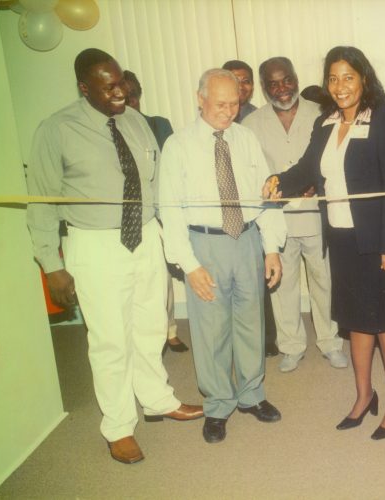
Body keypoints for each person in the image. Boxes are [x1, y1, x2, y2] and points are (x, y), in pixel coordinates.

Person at [26, 48, 203, 465]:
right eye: (109, 86)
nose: (120, 91)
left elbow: (156, 183)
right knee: (110, 341)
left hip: (144, 237)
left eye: (121, 81)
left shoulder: (136, 122)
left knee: (150, 326)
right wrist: (51, 264)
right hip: (95, 244)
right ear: (84, 88)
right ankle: (118, 426)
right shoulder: (56, 129)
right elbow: (40, 203)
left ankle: (157, 399)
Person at [264, 46, 385, 440]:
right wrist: (279, 181)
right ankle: (364, 395)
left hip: (379, 238)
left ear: (364, 78)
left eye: (348, 76)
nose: (340, 86)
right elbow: (306, 169)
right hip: (342, 238)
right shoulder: (325, 124)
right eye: (333, 78)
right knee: (355, 322)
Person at [159, 68, 287, 444]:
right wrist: (189, 264)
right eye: (220, 104)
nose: (228, 111)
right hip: (205, 244)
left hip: (246, 239)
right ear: (200, 99)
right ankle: (217, 404)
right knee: (211, 329)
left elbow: (267, 196)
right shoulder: (178, 146)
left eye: (235, 103)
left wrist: (271, 248)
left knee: (251, 322)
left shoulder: (246, 138)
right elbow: (170, 210)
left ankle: (251, 395)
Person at [244, 57, 347, 373]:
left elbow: (333, 162)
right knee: (283, 285)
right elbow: (251, 174)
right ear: (264, 87)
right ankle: (291, 346)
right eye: (273, 83)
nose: (281, 88)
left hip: (316, 216)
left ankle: (331, 343)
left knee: (324, 281)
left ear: (296, 78)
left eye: (286, 80)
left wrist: (314, 183)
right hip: (277, 220)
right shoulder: (250, 125)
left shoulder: (322, 114)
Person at [123, 69, 189, 353]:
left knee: (162, 277)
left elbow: (174, 166)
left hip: (161, 208)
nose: (129, 102)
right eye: (124, 97)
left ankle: (170, 330)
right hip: (128, 215)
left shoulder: (158, 125)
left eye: (133, 96)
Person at [222, 60, 279, 357]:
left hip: (257, 208)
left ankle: (267, 339)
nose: (241, 86)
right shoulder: (216, 117)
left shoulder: (259, 118)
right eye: (234, 80)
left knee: (260, 276)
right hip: (227, 212)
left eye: (246, 81)